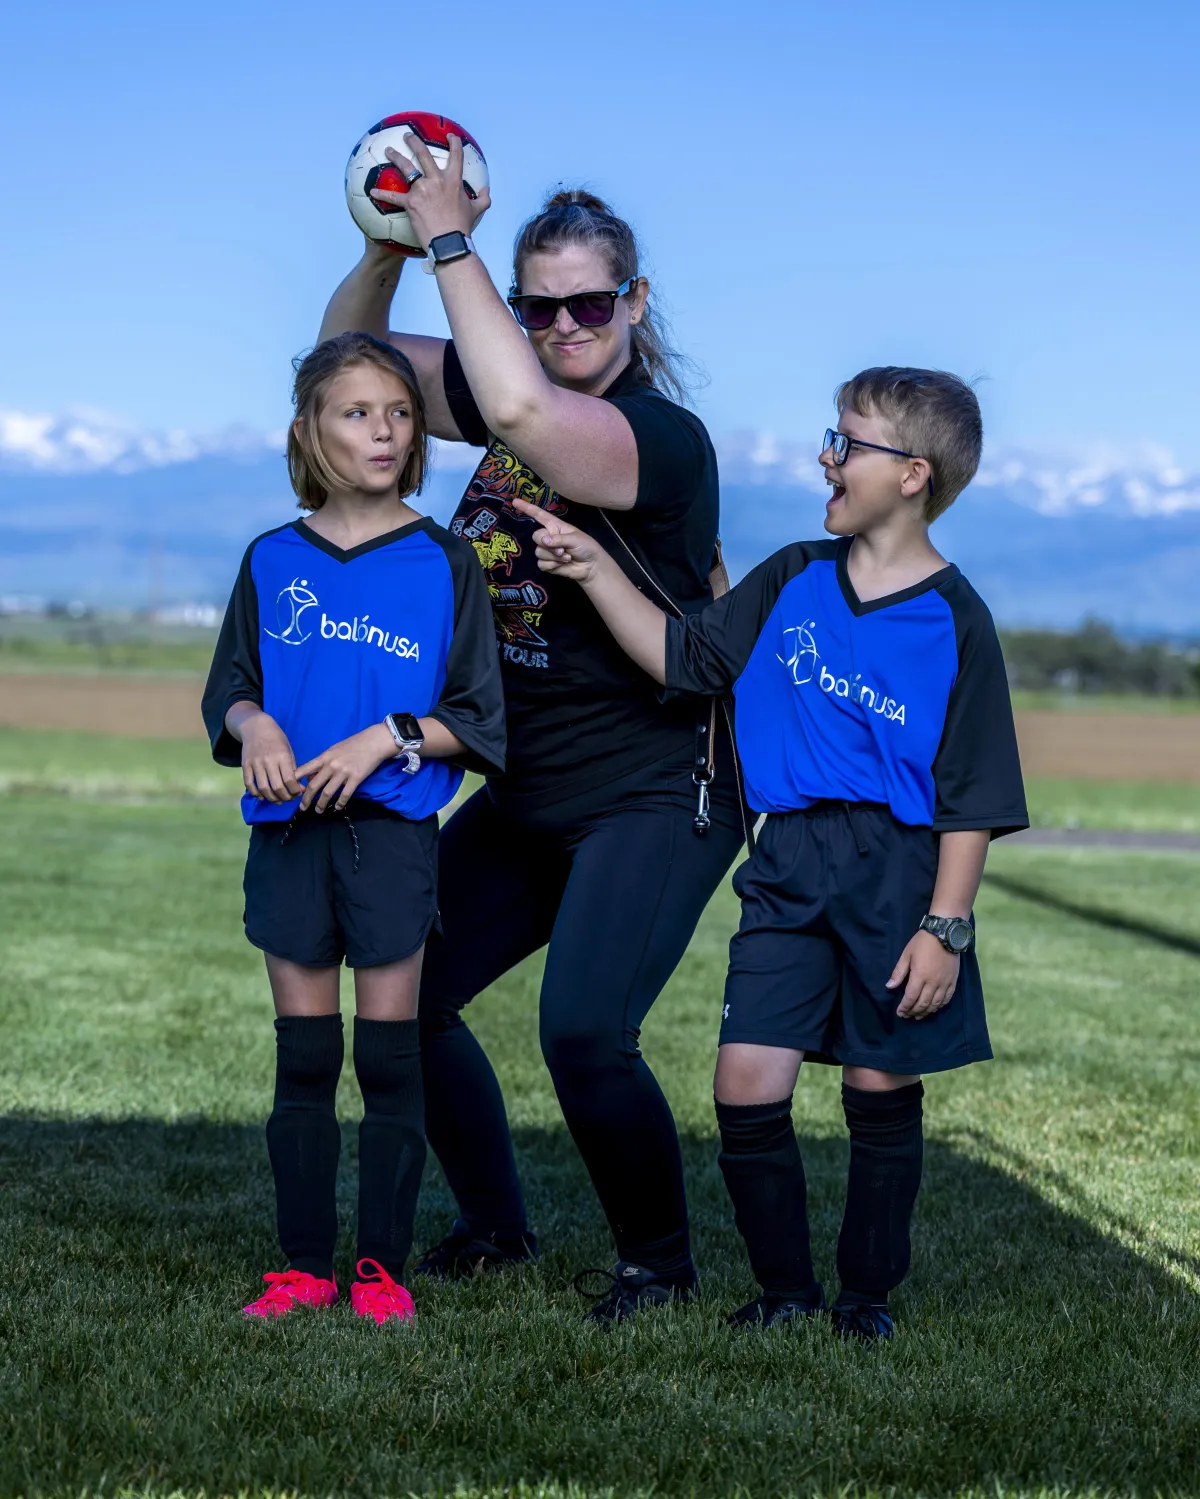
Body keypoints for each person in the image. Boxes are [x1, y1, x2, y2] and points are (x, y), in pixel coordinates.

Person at [317, 134, 747, 1321]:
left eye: (589, 303)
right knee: (403, 990)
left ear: (635, 302)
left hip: (660, 785)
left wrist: (450, 233)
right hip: (527, 786)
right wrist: (386, 245)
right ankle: (496, 1224)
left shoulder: (658, 439)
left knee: (585, 1030)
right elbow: (337, 364)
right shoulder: (509, 389)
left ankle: (658, 1262)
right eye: (537, 306)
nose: (564, 326)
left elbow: (519, 403)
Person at [516, 367, 1029, 1340]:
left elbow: (974, 796)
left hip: (902, 870)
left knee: (879, 1083)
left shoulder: (957, 619)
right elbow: (685, 655)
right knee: (745, 1076)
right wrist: (592, 568)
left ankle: (864, 1298)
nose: (826, 455)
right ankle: (784, 1293)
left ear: (914, 472)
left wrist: (944, 926)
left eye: (849, 442)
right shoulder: (795, 572)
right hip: (787, 859)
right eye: (830, 436)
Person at [201, 332, 505, 1323]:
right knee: (303, 1061)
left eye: (400, 412)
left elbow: (479, 718)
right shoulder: (271, 556)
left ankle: (381, 1271)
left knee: (386, 1059)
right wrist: (257, 725)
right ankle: (296, 1268)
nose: (384, 429)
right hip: (289, 838)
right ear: (309, 430)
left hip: (393, 841)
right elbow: (232, 693)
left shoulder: (445, 560)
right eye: (356, 411)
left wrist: (384, 737)